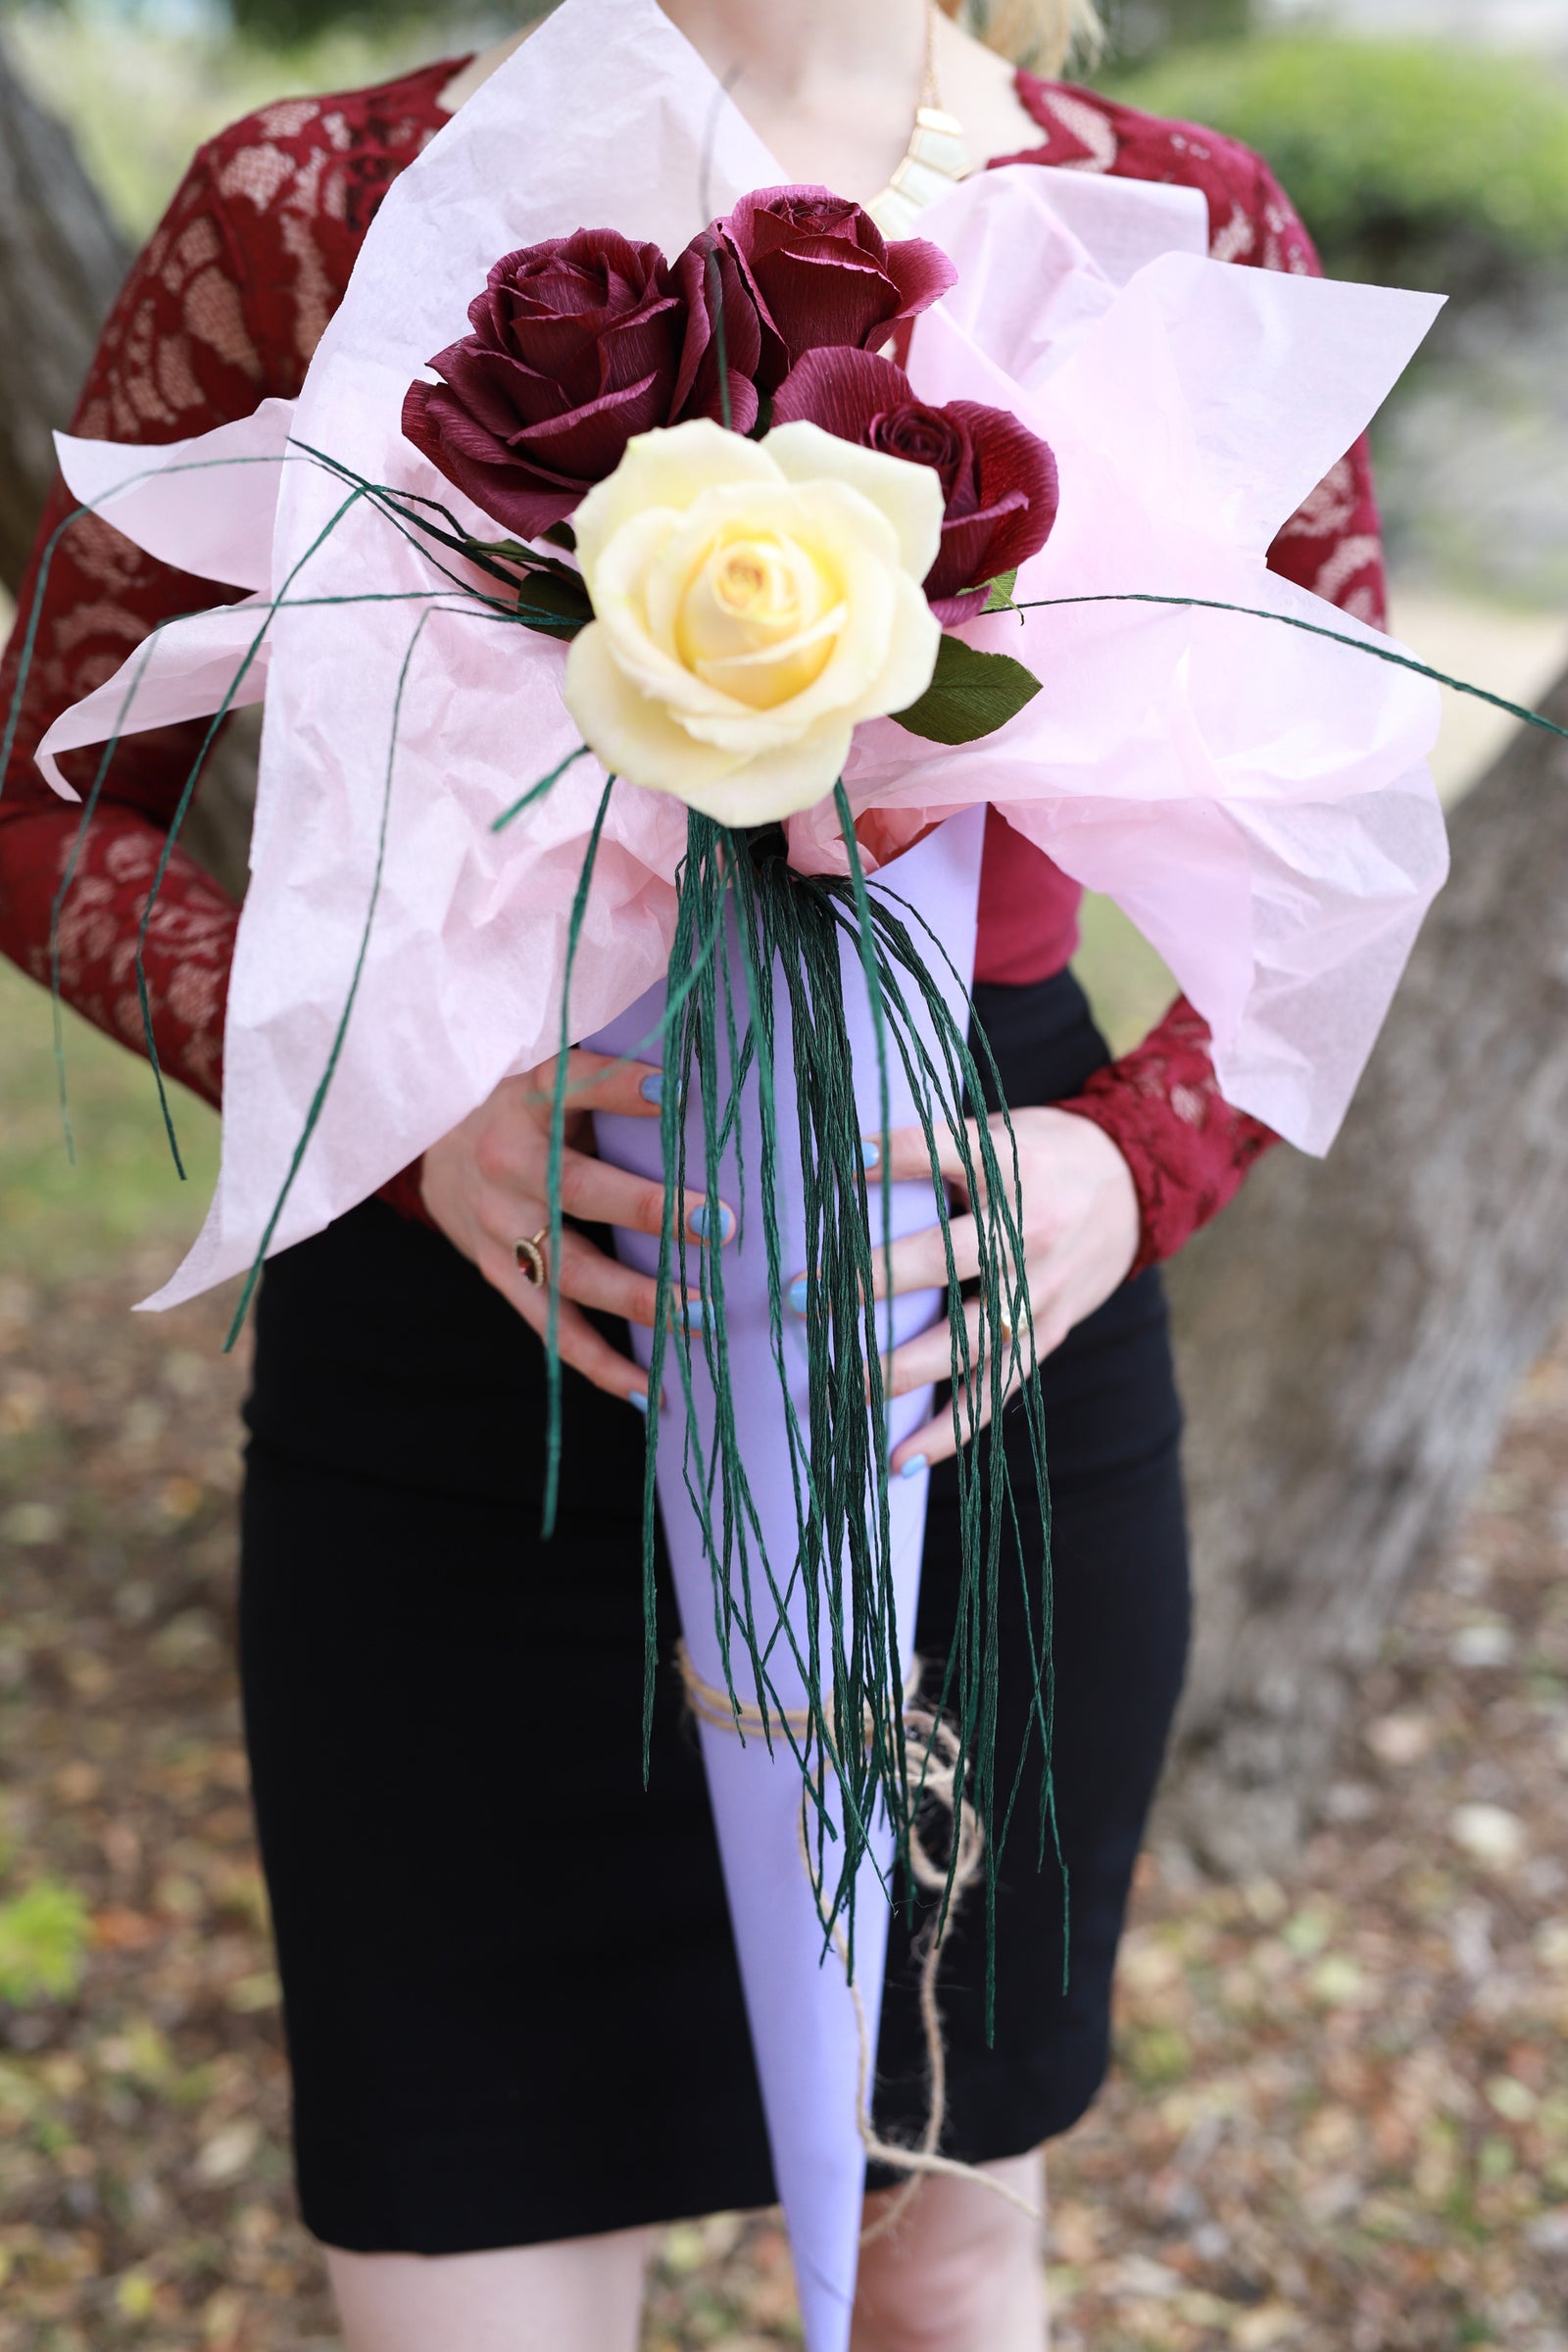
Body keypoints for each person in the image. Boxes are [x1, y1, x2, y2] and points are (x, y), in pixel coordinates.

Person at [0, 2, 1390, 2345]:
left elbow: (1342, 827)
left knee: (948, 2248)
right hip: (466, 1361)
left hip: (972, 1339)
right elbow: (42, 800)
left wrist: (1123, 1166)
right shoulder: (312, 197)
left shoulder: (1169, 212)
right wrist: (387, 1109)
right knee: (461, 2256)